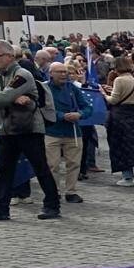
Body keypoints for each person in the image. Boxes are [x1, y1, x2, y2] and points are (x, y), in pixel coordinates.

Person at [0, 40, 60, 220]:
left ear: (9, 56)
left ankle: (52, 205)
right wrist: (10, 98)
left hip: (28, 129)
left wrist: (6, 98)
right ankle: (1, 208)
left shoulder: (23, 74)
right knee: (4, 171)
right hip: (6, 130)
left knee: (40, 168)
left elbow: (1, 98)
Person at [41, 59, 86, 205]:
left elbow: (86, 106)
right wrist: (62, 116)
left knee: (73, 163)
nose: (63, 74)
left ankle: (71, 191)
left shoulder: (72, 88)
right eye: (59, 72)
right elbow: (42, 108)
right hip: (51, 131)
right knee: (52, 164)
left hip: (72, 131)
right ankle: (54, 192)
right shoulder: (44, 88)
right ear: (51, 73)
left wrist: (80, 114)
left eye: (65, 72)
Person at [104, 57, 134, 187]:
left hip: (120, 116)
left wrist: (104, 94)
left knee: (122, 145)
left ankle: (127, 176)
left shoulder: (119, 80)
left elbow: (114, 100)